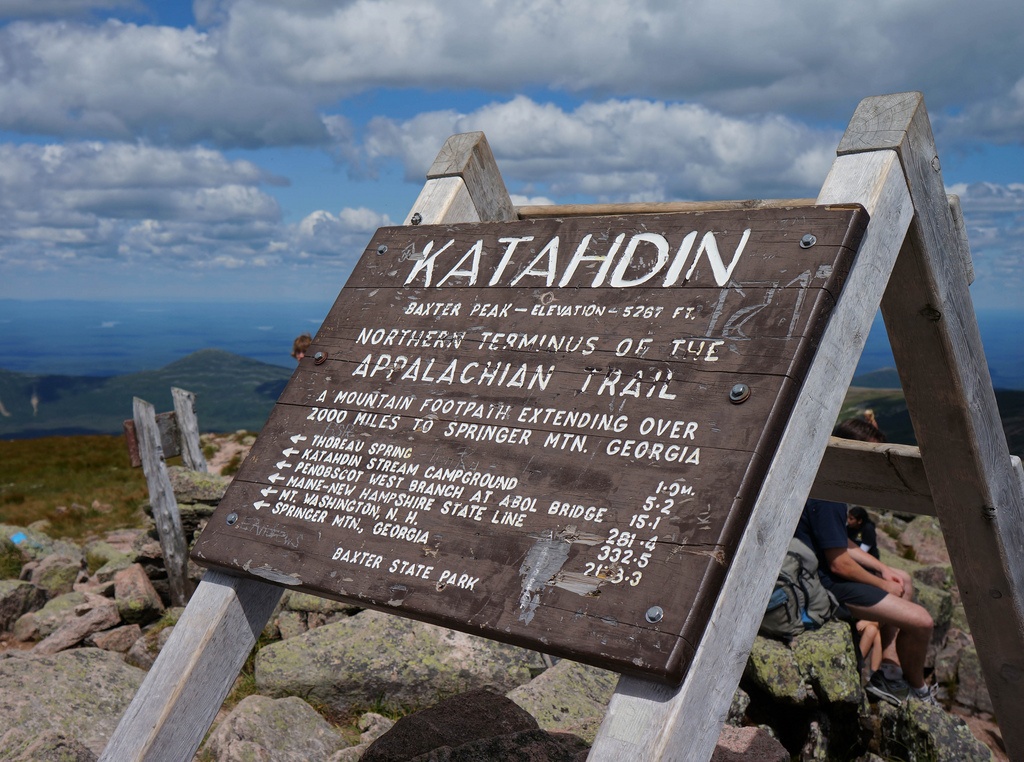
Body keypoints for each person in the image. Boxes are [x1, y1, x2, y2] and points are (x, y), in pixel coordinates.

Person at [795, 416, 935, 706]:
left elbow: (837, 541)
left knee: (904, 579)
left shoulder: (826, 481)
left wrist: (885, 568)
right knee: (922, 621)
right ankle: (918, 690)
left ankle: (889, 668)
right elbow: (838, 564)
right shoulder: (828, 495)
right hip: (822, 586)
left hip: (825, 576)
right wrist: (881, 582)